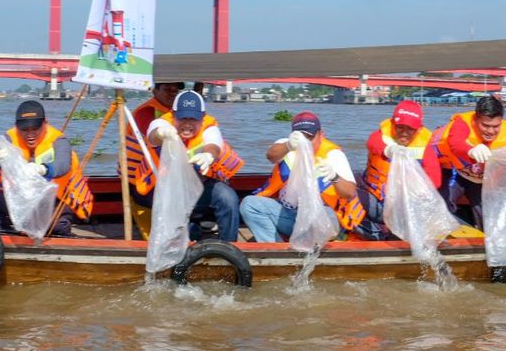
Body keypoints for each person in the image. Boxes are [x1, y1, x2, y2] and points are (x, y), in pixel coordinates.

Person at [431, 96, 506, 229]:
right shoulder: (462, 123)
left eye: (495, 126)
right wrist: (470, 150)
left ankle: (481, 240)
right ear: (475, 120)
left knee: (488, 217)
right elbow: (455, 143)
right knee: (442, 203)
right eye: (485, 125)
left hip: (481, 179)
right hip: (455, 172)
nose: (491, 131)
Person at [240, 111, 364, 243]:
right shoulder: (286, 145)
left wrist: (335, 177)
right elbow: (271, 156)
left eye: (309, 137)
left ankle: (311, 248)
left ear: (321, 135)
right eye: (301, 136)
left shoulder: (334, 155)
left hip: (321, 215)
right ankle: (275, 248)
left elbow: (350, 193)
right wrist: (288, 145)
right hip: (288, 213)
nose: (305, 142)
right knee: (249, 204)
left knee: (326, 221)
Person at [0, 101, 92, 235]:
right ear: (17, 126)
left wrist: (43, 169)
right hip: (22, 200)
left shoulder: (59, 141)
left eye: (35, 128)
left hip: (53, 201)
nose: (30, 134)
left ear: (45, 123)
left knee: (58, 225)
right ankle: (8, 234)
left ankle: (53, 229)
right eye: (24, 129)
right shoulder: (10, 137)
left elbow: (63, 165)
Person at [145, 90, 244, 241]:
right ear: (173, 115)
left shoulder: (209, 127)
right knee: (188, 231)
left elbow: (214, 143)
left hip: (200, 188)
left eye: (193, 119)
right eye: (182, 118)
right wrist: (161, 134)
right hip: (169, 191)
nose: (187, 125)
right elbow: (153, 134)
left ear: (202, 118)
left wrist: (209, 155)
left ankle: (229, 245)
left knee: (227, 197)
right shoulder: (163, 123)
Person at [357, 100, 441, 240]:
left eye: (410, 129)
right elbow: (373, 143)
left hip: (404, 207)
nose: (404, 133)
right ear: (392, 123)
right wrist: (389, 150)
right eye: (400, 127)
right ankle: (376, 234)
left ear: (419, 129)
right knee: (342, 195)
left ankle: (388, 236)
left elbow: (435, 181)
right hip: (375, 199)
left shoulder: (426, 148)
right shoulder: (380, 136)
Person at [122, 81, 184, 236]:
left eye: (175, 90)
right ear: (154, 91)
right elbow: (157, 141)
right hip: (143, 182)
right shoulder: (147, 112)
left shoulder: (177, 113)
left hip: (164, 177)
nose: (172, 93)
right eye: (167, 89)